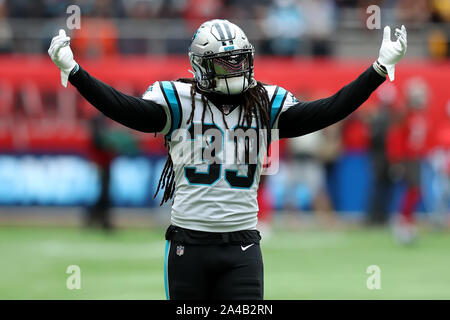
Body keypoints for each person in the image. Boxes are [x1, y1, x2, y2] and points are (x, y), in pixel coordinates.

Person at [48, 20, 407, 300]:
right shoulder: (179, 100)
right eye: (225, 63)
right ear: (202, 66)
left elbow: (329, 110)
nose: (235, 69)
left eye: (240, 61)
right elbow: (124, 109)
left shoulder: (265, 103)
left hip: (243, 248)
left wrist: (377, 70)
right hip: (188, 245)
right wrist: (76, 73)